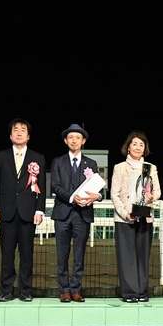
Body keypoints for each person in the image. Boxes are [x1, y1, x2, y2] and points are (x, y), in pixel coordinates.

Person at [0, 118, 46, 303]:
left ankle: (25, 291)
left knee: (27, 255)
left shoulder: (38, 158)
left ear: (28, 136)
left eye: (23, 130)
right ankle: (6, 290)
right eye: (15, 129)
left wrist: (39, 211)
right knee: (7, 254)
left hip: (28, 213)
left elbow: (42, 187)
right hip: (6, 213)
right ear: (10, 135)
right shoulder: (0, 156)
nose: (19, 132)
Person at [51, 123, 102, 303]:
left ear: (83, 141)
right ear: (65, 140)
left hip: (83, 214)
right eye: (71, 137)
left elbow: (98, 188)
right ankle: (64, 290)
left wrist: (98, 196)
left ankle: (76, 289)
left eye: (78, 137)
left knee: (79, 255)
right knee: (62, 254)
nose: (74, 140)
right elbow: (55, 186)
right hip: (62, 214)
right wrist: (72, 197)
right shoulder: (58, 162)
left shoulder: (91, 164)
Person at [110, 130, 162, 303]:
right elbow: (114, 194)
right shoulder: (120, 167)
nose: (138, 147)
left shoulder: (150, 168)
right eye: (135, 144)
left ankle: (142, 292)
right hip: (125, 217)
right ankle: (130, 293)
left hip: (145, 215)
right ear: (128, 147)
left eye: (141, 144)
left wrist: (151, 196)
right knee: (127, 256)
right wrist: (125, 213)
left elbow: (158, 191)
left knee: (143, 255)